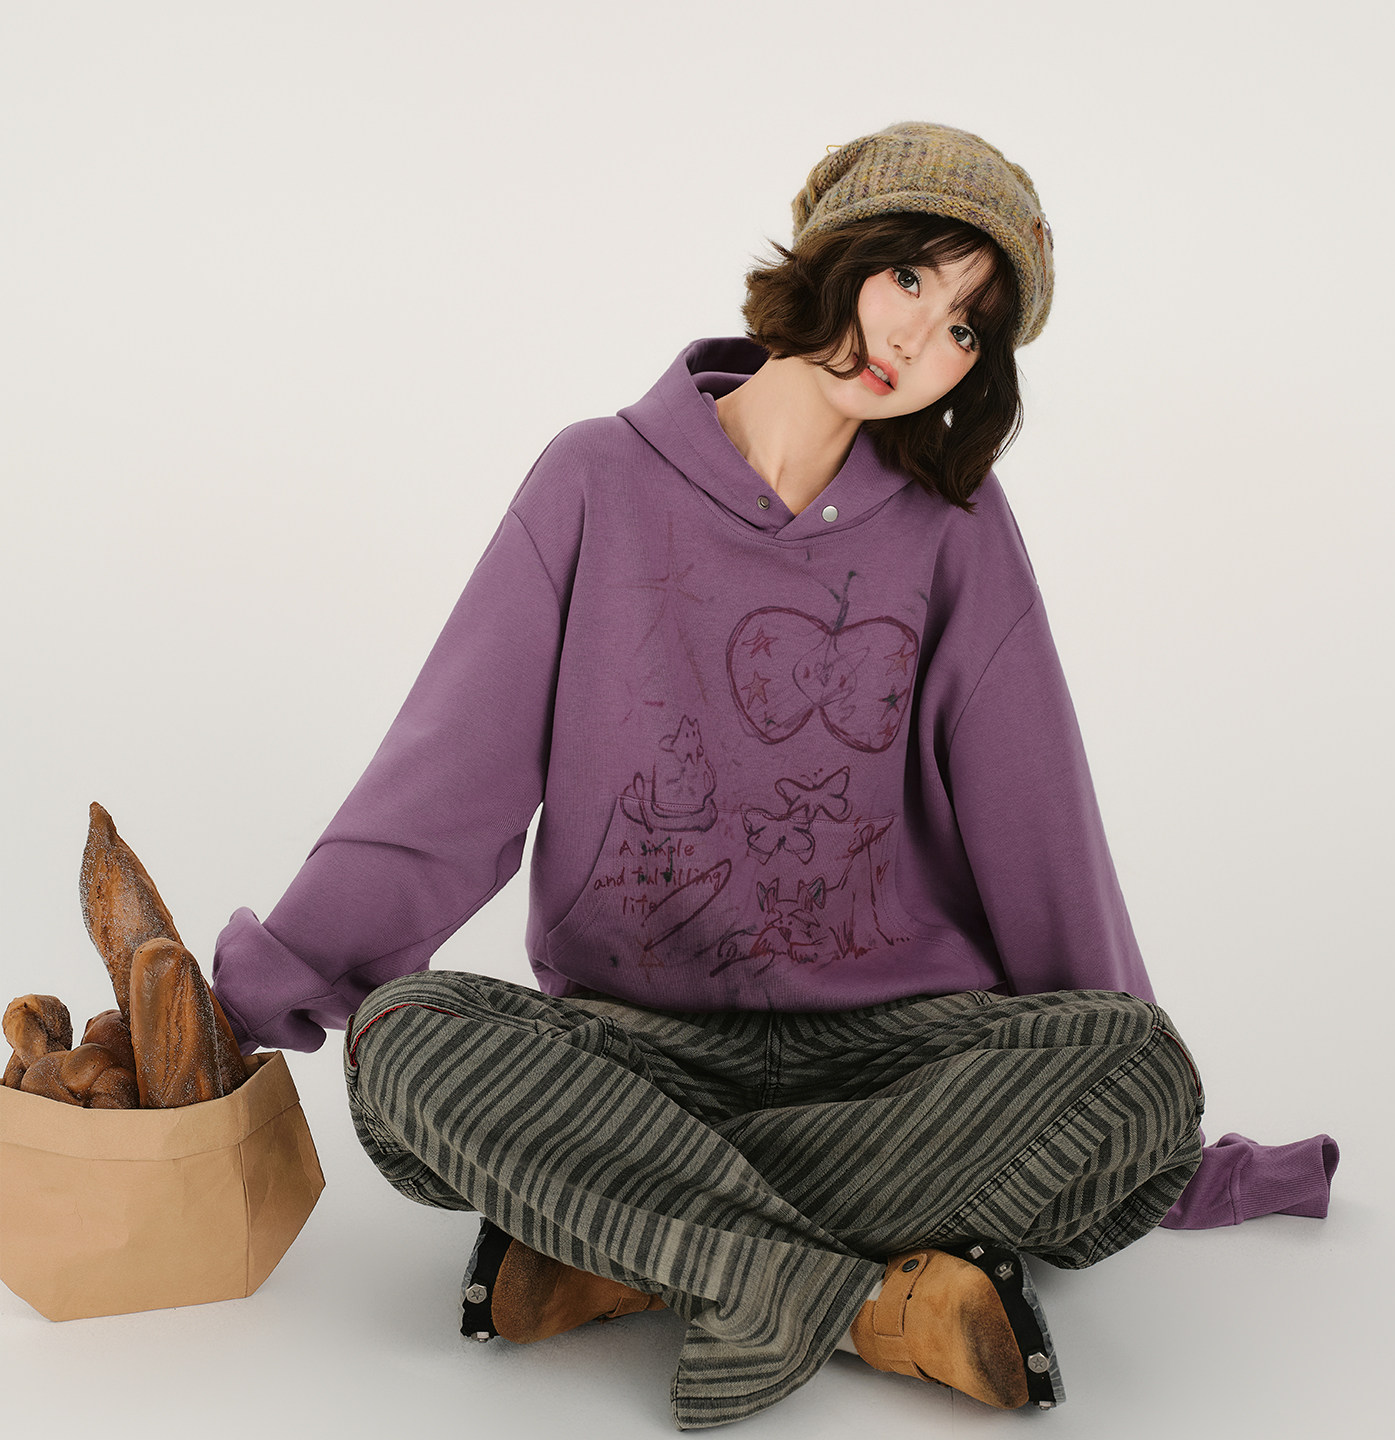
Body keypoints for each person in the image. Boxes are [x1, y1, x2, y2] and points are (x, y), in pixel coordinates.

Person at [212, 122, 1336, 1429]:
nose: (919, 339)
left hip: (896, 1060)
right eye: (909, 275)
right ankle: (851, 1294)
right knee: (405, 1048)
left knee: (1133, 1073)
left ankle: (632, 1236)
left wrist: (1154, 1118)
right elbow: (445, 787)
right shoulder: (595, 479)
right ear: (834, 255)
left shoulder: (957, 527)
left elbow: (1040, 829)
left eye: (966, 328)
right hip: (636, 1052)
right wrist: (265, 988)